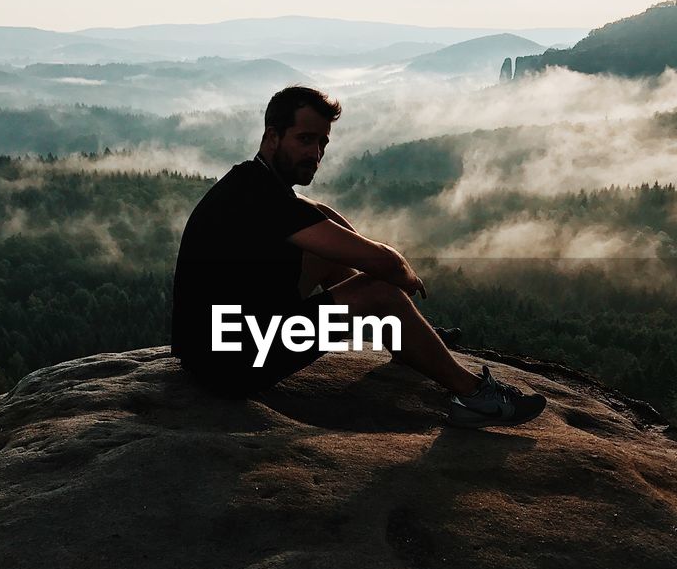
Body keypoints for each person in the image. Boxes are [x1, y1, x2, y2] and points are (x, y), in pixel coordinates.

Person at [170, 85, 546, 428]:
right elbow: (385, 264)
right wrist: (405, 276)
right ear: (272, 137)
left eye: (322, 143)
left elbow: (317, 213)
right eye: (304, 140)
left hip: (219, 344)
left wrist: (348, 233)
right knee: (379, 291)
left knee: (330, 257)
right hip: (231, 361)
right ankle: (476, 396)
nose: (315, 153)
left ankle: (408, 341)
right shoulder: (264, 198)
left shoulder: (252, 181)